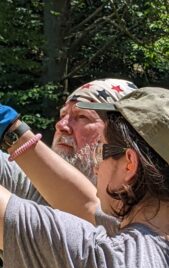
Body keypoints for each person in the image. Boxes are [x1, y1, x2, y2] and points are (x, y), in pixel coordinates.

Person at [0, 87, 169, 268]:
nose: (97, 168)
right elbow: (86, 204)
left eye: (101, 150)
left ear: (129, 164)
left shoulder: (104, 264)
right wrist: (11, 129)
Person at [0, 79, 137, 216]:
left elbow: (92, 210)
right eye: (63, 115)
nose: (61, 125)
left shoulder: (135, 219)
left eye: (82, 116)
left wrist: (11, 128)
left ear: (120, 136)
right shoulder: (27, 179)